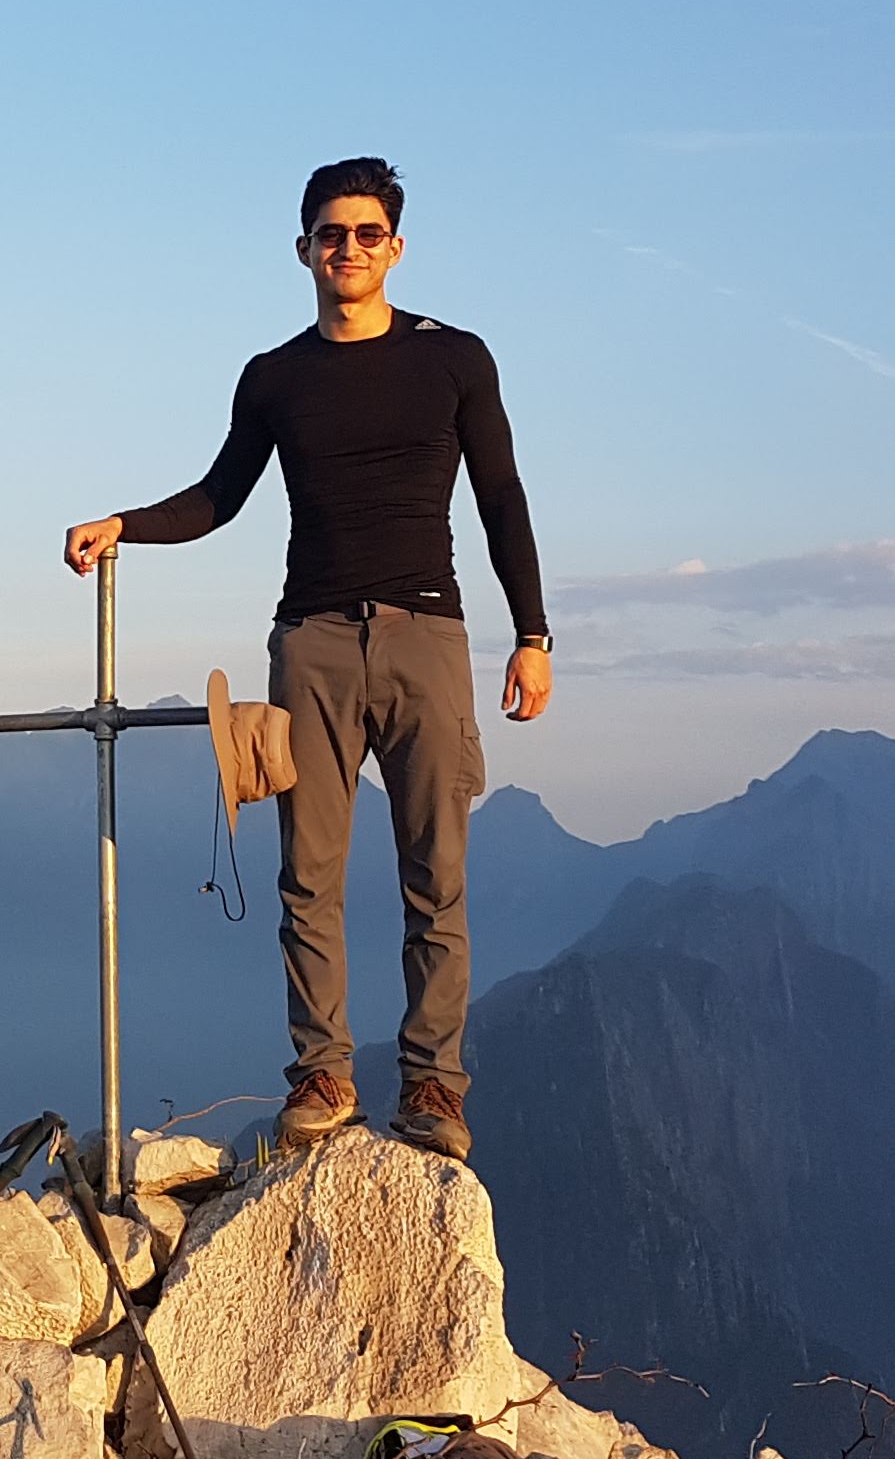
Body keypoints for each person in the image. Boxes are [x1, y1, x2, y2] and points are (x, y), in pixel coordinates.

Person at [62, 157, 550, 1163]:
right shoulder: (276, 378)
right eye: (332, 234)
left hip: (428, 634)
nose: (350, 249)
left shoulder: (455, 360)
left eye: (368, 234)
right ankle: (323, 1074)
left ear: (396, 248)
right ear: (304, 250)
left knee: (437, 877)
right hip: (313, 641)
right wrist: (125, 523)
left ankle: (433, 1090)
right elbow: (219, 497)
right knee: (307, 876)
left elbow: (502, 499)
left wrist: (533, 636)